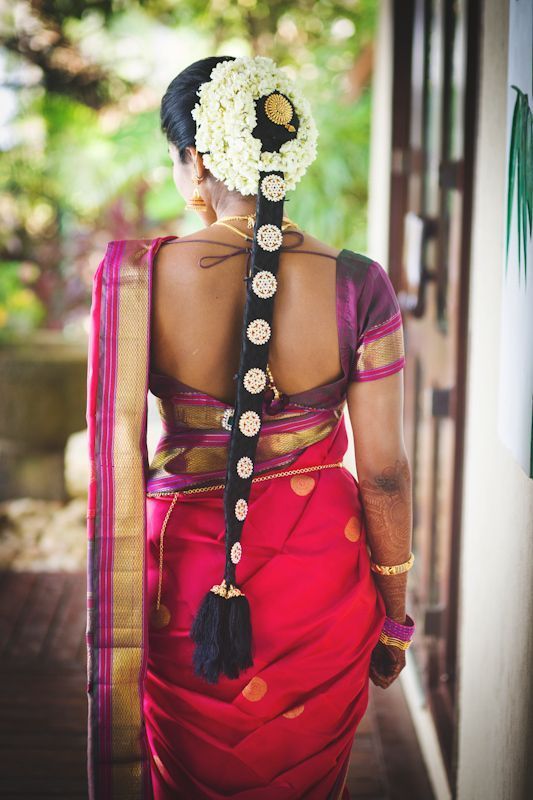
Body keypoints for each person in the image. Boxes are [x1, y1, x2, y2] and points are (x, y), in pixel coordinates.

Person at [85, 55, 415, 800]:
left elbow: (115, 457)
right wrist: (393, 618)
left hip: (182, 584)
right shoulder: (359, 282)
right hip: (320, 583)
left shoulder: (135, 279)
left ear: (195, 162)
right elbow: (385, 473)